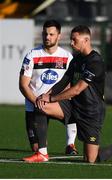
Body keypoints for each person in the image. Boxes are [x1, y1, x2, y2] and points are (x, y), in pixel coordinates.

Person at [28, 25, 112, 164]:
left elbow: (77, 89)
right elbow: (64, 81)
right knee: (40, 105)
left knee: (91, 160)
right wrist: (45, 95)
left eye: (75, 40)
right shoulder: (76, 59)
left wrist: (51, 98)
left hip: (91, 112)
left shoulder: (95, 62)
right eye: (71, 39)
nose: (71, 43)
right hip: (73, 106)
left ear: (86, 40)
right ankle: (42, 153)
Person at [19, 19, 78, 156]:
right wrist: (36, 101)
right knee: (35, 147)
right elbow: (23, 85)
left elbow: (70, 84)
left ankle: (70, 145)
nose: (47, 37)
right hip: (35, 104)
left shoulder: (67, 57)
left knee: (74, 114)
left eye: (51, 34)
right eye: (45, 34)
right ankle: (41, 150)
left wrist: (54, 98)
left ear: (59, 36)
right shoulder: (32, 55)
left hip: (56, 102)